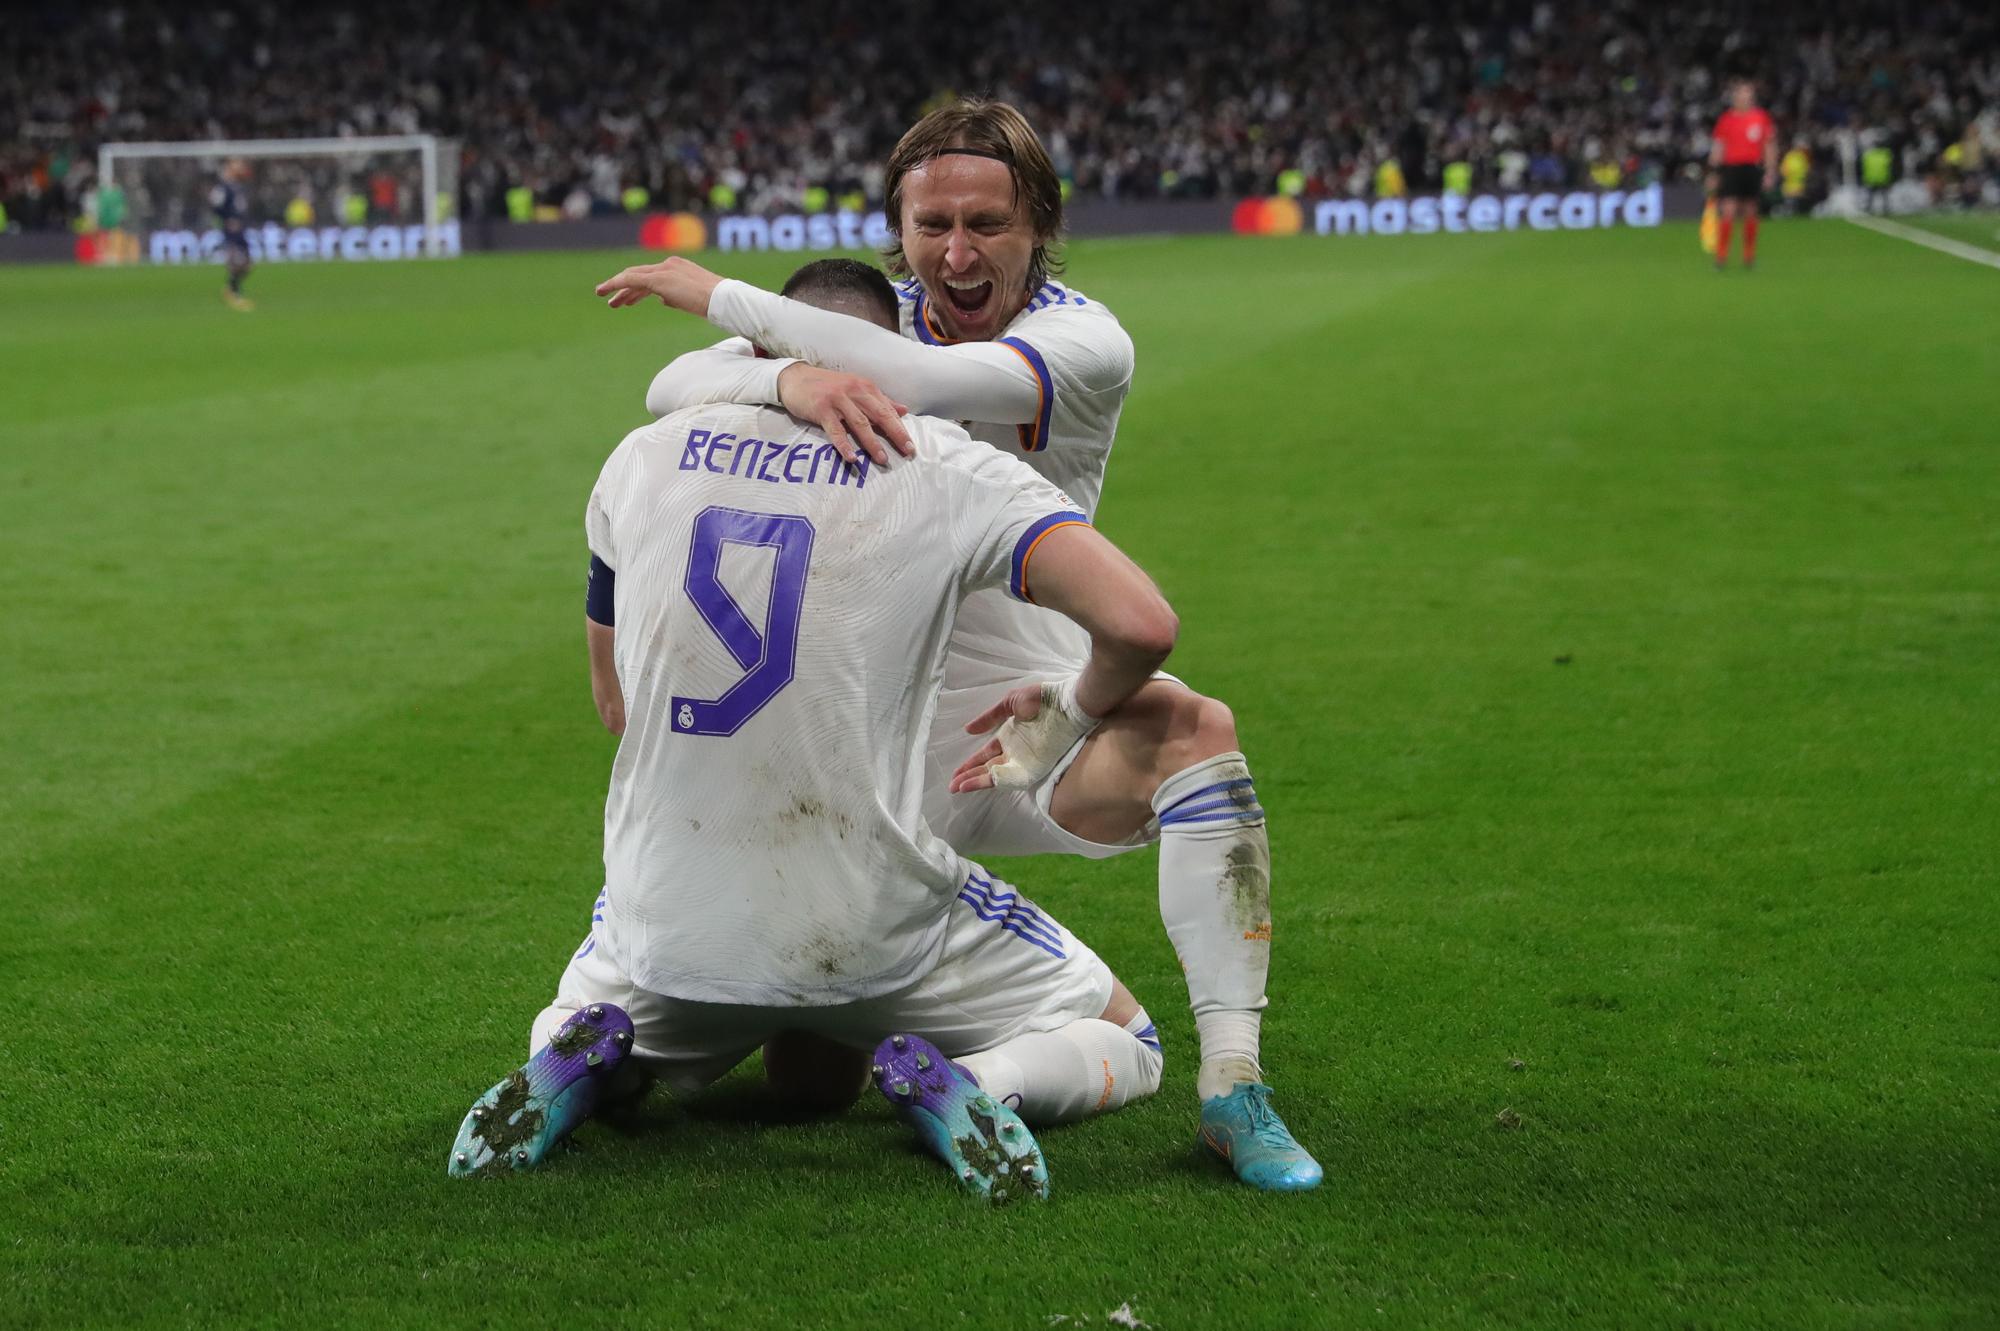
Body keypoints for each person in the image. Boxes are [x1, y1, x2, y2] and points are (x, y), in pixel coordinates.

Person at [596, 99, 1321, 1192]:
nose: (955, 252)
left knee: (1191, 731)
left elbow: (928, 384)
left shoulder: (1081, 339)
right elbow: (670, 388)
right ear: (898, 225)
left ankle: (1233, 1084)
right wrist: (782, 375)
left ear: (1039, 224)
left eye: (986, 223)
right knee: (805, 1081)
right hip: (854, 727)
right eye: (930, 223)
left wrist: (726, 301)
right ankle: (917, 1064)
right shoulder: (858, 320)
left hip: (1026, 713)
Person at [450, 260, 1172, 1204]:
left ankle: (585, 1061)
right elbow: (1142, 625)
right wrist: (1068, 710)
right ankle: (983, 1084)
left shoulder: (641, 455)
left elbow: (613, 697)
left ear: (750, 354)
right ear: (892, 355)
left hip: (664, 923)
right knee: (1133, 1040)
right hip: (866, 925)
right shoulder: (951, 469)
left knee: (617, 1011)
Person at [1707, 81, 1778, 271]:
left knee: (1751, 210)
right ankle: (1721, 256)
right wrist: (1714, 172)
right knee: (1728, 210)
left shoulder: (1761, 118)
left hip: (1752, 167)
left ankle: (1749, 256)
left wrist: (1770, 171)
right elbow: (1718, 146)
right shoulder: (1726, 119)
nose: (1744, 97)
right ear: (1735, 97)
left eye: (1748, 94)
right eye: (1741, 94)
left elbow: (1769, 145)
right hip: (1731, 168)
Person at [211, 159, 254, 311]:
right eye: (237, 165)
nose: (241, 168)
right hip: (231, 230)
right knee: (237, 261)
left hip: (241, 230)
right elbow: (216, 207)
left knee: (248, 265)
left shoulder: (239, 186)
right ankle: (233, 293)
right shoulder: (223, 188)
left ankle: (231, 289)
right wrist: (227, 220)